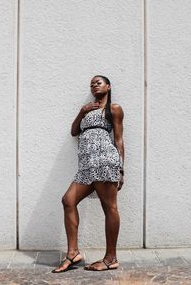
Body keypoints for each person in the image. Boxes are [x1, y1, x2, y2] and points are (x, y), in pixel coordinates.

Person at [52, 75, 124, 273]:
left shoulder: (114, 109)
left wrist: (121, 168)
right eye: (91, 83)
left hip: (104, 161)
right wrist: (81, 111)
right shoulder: (87, 109)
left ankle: (111, 258)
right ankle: (73, 254)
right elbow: (74, 131)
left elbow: (118, 139)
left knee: (109, 207)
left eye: (98, 82)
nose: (94, 85)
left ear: (108, 86)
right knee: (68, 200)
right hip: (86, 165)